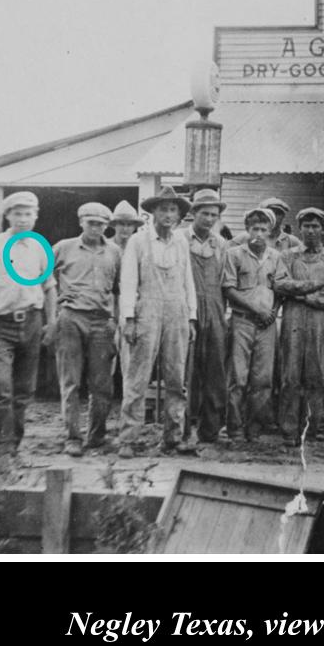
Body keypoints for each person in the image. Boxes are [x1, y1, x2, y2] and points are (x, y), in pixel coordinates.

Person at [0, 190, 57, 459]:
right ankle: (3, 447)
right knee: (2, 388)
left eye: (29, 214)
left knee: (24, 391)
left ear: (36, 217)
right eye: (18, 213)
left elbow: (49, 286)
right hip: (0, 326)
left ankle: (13, 445)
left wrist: (51, 323)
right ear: (7, 216)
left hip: (31, 322)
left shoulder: (40, 247)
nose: (23, 219)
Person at [117, 187, 197, 458]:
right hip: (146, 312)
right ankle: (128, 438)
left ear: (179, 215)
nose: (167, 214)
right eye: (162, 209)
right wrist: (129, 318)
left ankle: (173, 437)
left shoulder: (181, 242)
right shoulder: (139, 242)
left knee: (176, 377)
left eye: (173, 209)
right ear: (152, 212)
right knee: (137, 377)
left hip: (177, 312)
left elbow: (188, 281)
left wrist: (192, 316)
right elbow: (128, 281)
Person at [51, 202, 122, 457]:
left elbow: (118, 289)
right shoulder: (63, 248)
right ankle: (72, 437)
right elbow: (43, 280)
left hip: (102, 321)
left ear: (106, 226)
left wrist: (115, 318)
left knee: (102, 384)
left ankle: (97, 437)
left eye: (101, 224)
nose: (96, 228)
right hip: (71, 318)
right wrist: (55, 307)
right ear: (81, 222)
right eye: (91, 223)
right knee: (70, 381)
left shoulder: (114, 252)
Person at [274, 208, 324, 444]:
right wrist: (312, 285)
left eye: (315, 226)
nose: (311, 230)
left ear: (323, 230)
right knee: (290, 375)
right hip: (292, 319)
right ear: (300, 228)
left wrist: (304, 297)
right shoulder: (287, 256)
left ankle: (313, 429)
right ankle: (289, 430)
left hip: (319, 321)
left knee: (316, 375)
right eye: (306, 226)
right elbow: (280, 284)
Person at [223, 208, 287, 441]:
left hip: (267, 324)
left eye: (263, 229)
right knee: (239, 377)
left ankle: (254, 427)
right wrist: (255, 309)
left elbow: (280, 289)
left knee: (263, 378)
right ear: (247, 230)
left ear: (270, 232)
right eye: (254, 229)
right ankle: (235, 427)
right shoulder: (234, 255)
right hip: (242, 321)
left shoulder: (276, 257)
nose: (258, 234)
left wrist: (272, 312)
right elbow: (229, 289)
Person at [180, 188, 230, 445]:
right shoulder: (180, 239)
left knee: (214, 372)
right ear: (193, 213)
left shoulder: (220, 244)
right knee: (186, 372)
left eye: (214, 215)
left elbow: (225, 281)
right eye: (205, 213)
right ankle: (182, 430)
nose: (209, 219)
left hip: (215, 309)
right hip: (187, 309)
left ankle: (210, 431)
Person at [107, 200, 145, 385]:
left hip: (132, 308)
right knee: (105, 360)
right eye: (121, 224)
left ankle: (127, 406)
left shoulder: (140, 248)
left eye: (129, 224)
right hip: (109, 308)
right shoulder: (105, 247)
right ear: (114, 225)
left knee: (130, 361)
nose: (125, 229)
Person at [231, 196, 304, 254]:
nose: (274, 216)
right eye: (270, 212)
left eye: (278, 213)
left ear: (283, 216)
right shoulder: (245, 237)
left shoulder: (291, 241)